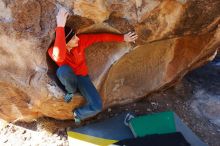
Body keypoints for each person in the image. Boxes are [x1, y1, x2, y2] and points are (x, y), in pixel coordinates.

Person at [48, 8, 138, 123]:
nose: (78, 38)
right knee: (63, 70)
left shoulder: (80, 42)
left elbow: (100, 37)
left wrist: (123, 38)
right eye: (74, 37)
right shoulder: (53, 51)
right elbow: (59, 56)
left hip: (82, 77)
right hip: (68, 78)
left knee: (97, 106)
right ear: (66, 43)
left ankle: (78, 114)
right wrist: (60, 26)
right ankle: (70, 92)